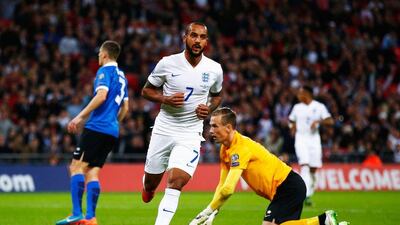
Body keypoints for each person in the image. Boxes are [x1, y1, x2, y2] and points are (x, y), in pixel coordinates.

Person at [190, 107, 348, 225]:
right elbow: (221, 185)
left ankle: (324, 220)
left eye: (215, 126)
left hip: (287, 185)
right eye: (210, 125)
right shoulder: (225, 149)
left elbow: (229, 189)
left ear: (229, 128)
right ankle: (325, 220)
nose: (210, 131)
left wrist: (208, 210)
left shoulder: (240, 148)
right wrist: (214, 212)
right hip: (285, 187)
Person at [141, 22, 223, 225]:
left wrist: (209, 109)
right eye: (193, 36)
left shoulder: (214, 69)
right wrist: (165, 99)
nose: (197, 41)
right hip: (164, 129)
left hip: (190, 132)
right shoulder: (167, 63)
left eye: (202, 37)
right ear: (184, 37)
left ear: (206, 41)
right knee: (152, 183)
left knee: (176, 181)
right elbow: (146, 91)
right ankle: (148, 186)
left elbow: (217, 96)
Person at [56, 40, 129, 225]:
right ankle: (91, 218)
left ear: (104, 54)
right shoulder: (122, 77)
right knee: (92, 172)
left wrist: (79, 117)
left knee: (75, 167)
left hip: (97, 127)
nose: (98, 57)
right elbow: (126, 108)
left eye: (99, 54)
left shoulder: (104, 72)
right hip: (112, 131)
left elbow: (101, 95)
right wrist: (114, 122)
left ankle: (76, 213)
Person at [288, 85, 334, 206]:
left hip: (314, 140)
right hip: (301, 139)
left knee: (313, 169)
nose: (298, 95)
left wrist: (318, 121)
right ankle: (305, 195)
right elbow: (291, 120)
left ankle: (310, 193)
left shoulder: (319, 107)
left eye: (300, 93)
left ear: (307, 94)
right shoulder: (297, 107)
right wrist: (291, 127)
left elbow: (330, 121)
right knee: (305, 165)